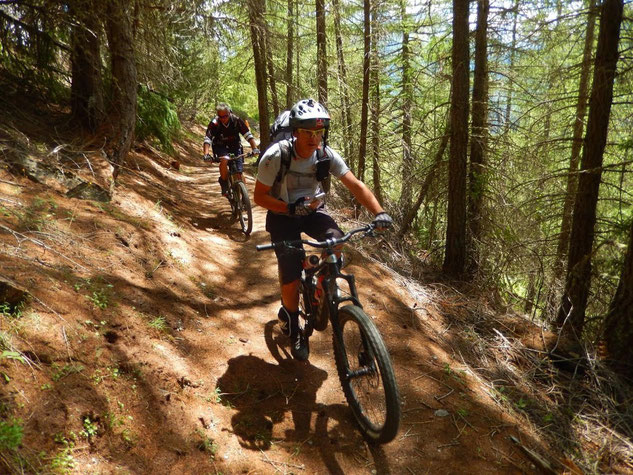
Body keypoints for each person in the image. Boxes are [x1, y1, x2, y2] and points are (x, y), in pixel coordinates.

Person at [254, 98, 393, 361]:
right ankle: (293, 325)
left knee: (336, 240)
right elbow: (260, 197)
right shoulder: (276, 155)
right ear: (295, 132)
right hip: (283, 214)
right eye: (308, 132)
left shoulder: (326, 155)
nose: (314, 138)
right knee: (291, 270)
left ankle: (320, 281)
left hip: (313, 212)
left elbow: (356, 185)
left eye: (318, 132)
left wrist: (379, 212)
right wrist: (288, 208)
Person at [203, 102, 259, 196]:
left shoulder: (236, 120)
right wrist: (206, 154)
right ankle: (224, 182)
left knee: (239, 173)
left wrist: (255, 149)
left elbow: (248, 135)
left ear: (230, 113)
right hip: (220, 146)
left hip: (235, 146)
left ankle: (244, 196)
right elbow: (207, 139)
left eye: (225, 116)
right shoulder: (215, 123)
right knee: (224, 160)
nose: (223, 119)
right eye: (221, 117)